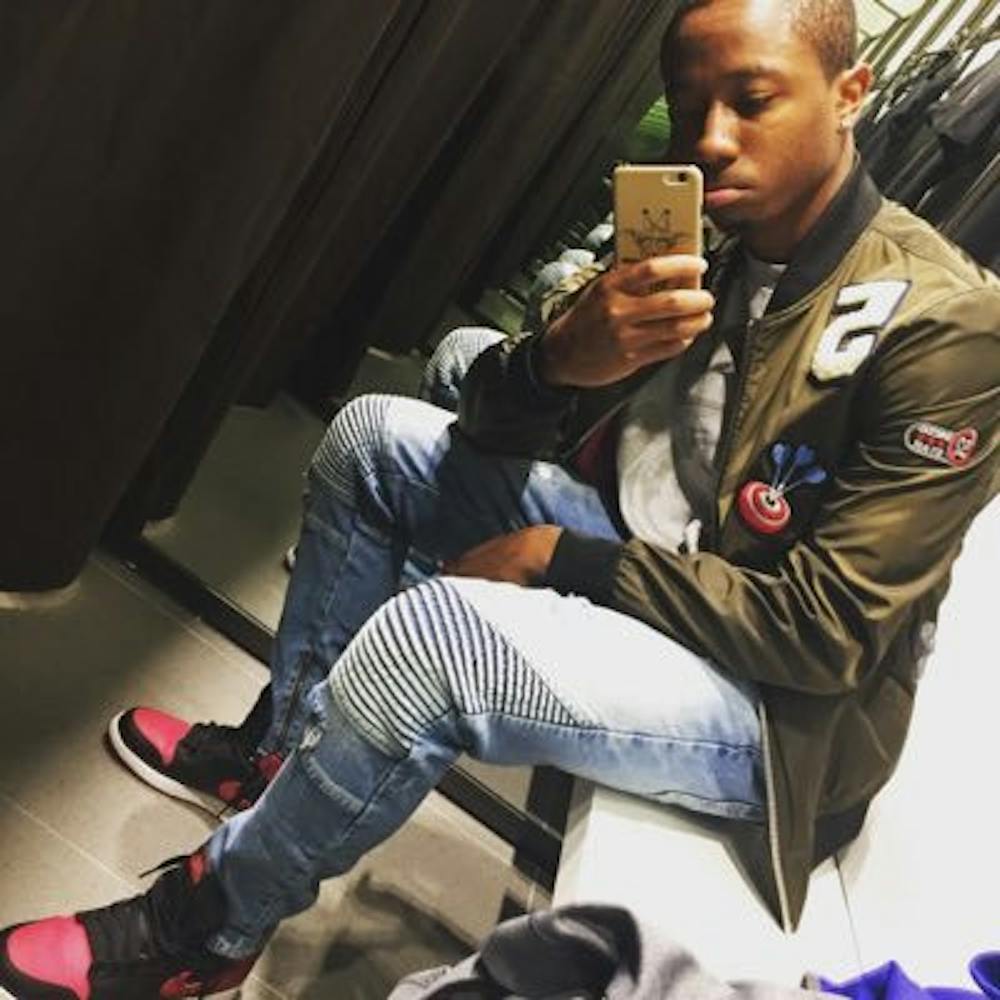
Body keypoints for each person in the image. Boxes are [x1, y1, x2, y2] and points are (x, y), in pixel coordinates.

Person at [3, 0, 998, 996]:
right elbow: (488, 418)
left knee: (437, 639)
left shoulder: (946, 326)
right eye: (690, 103)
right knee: (371, 442)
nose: (710, 139)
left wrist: (562, 559)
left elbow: (825, 634)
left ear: (850, 94)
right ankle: (277, 764)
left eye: (751, 99)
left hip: (778, 716)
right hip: (662, 561)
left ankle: (203, 933)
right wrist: (563, 359)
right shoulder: (704, 232)